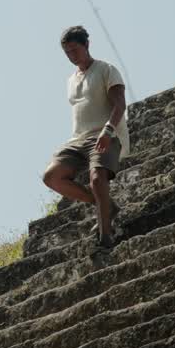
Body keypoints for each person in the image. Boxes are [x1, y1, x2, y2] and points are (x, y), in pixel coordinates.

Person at [42, 25, 130, 248]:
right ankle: (105, 205)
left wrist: (108, 131)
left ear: (86, 45)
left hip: (105, 134)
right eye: (67, 52)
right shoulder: (71, 80)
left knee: (97, 178)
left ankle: (105, 234)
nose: (71, 56)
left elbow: (120, 103)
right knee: (52, 176)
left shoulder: (106, 69)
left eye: (74, 50)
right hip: (78, 139)